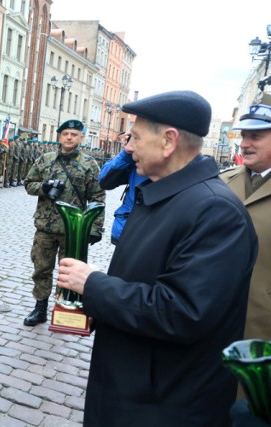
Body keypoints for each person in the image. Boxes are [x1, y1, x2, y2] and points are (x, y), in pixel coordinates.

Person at [56, 91, 258, 427]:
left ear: (168, 141)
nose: (129, 147)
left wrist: (93, 286)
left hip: (164, 402)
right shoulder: (163, 192)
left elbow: (183, 311)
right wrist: (98, 308)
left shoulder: (215, 211)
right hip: (135, 383)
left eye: (135, 137)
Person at [23, 119, 105, 327]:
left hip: (73, 230)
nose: (69, 137)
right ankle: (40, 308)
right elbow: (28, 184)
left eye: (74, 134)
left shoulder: (89, 164)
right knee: (41, 268)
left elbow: (97, 198)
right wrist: (45, 186)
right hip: (46, 227)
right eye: (66, 133)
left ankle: (65, 306)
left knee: (70, 272)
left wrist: (95, 228)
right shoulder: (45, 159)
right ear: (59, 136)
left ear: (81, 138)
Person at [220, 103, 271, 342]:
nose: (245, 144)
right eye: (243, 136)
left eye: (256, 137)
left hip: (263, 326)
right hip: (215, 319)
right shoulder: (221, 183)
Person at [98, 131, 148, 244]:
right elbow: (105, 181)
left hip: (151, 235)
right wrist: (126, 154)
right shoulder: (132, 159)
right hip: (126, 228)